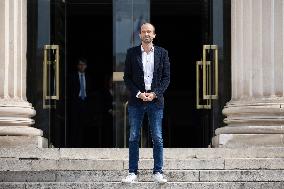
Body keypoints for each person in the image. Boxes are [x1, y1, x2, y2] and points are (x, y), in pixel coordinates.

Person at [122, 22, 170, 184]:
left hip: (155, 101)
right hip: (137, 101)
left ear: (154, 35)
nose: (147, 34)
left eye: (149, 31)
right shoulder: (131, 53)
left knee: (157, 137)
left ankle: (158, 171)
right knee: (134, 136)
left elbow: (166, 78)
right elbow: (126, 78)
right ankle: (132, 172)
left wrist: (155, 93)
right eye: (144, 32)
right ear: (140, 35)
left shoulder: (163, 53)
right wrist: (139, 94)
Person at [69, 58, 95, 147]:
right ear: (77, 66)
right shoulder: (72, 76)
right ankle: (73, 145)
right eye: (80, 64)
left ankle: (81, 145)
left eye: (83, 65)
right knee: (74, 124)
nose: (82, 66)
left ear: (86, 66)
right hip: (76, 103)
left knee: (83, 125)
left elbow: (91, 91)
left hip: (85, 103)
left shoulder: (89, 78)